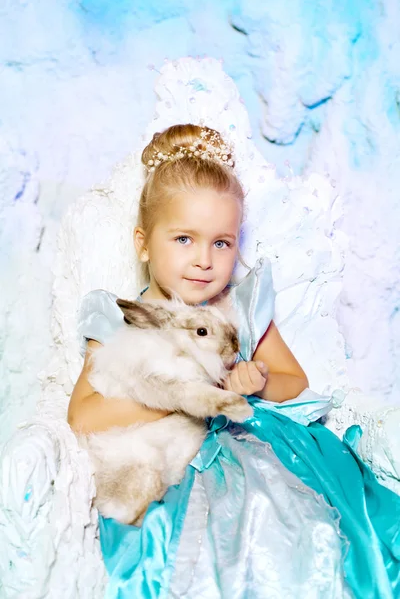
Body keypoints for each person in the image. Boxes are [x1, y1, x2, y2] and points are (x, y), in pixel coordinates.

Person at [67, 124, 400, 598]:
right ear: (143, 242)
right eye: (184, 239)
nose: (204, 260)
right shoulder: (123, 318)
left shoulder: (238, 307)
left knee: (297, 529)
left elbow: (294, 381)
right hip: (173, 461)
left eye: (221, 242)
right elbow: (84, 414)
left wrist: (256, 380)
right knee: (199, 551)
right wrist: (186, 400)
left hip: (256, 448)